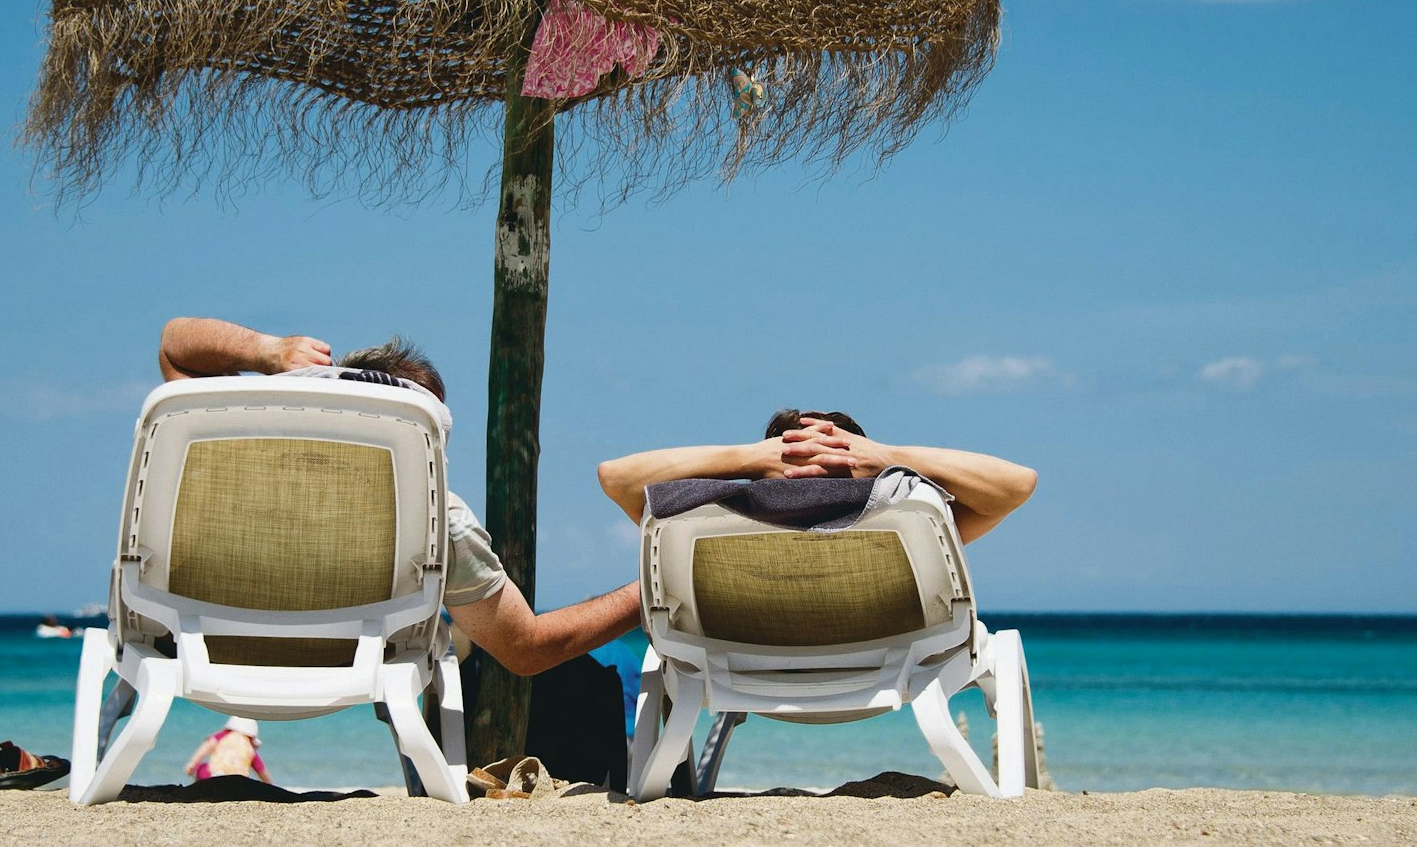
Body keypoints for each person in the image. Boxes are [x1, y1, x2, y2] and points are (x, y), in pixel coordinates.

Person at [156, 316, 641, 676]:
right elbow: (526, 648)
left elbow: (176, 347)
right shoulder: (433, 515)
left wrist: (267, 352)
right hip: (351, 674)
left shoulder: (232, 453)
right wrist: (649, 590)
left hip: (205, 654)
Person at [596, 408, 1037, 542]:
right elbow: (1017, 486)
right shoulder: (912, 525)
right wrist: (885, 457)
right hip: (888, 664)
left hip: (740, 666)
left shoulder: (709, 524)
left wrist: (750, 459)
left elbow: (616, 478)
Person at [184, 716, 272, 782]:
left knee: (201, 768)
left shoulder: (222, 736)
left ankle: (200, 790)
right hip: (239, 781)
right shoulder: (249, 748)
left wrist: (192, 764)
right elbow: (261, 771)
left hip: (213, 775)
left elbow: (205, 749)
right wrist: (269, 784)